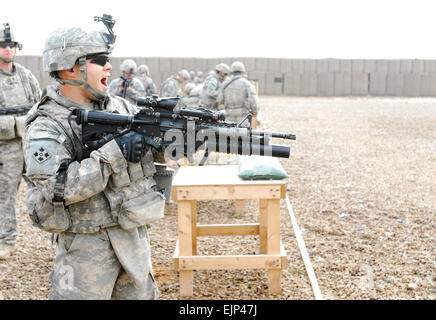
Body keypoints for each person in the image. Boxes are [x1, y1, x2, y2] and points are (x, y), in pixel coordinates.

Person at [22, 21, 162, 299]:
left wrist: (173, 142)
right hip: (85, 248)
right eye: (100, 60)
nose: (109, 67)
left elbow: (154, 152)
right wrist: (114, 154)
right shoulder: (46, 125)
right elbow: (56, 188)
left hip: (132, 240)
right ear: (69, 67)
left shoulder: (121, 108)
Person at [0, 23, 41, 259]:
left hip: (31, 145)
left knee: (47, 190)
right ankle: (6, 240)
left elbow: (39, 107)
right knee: (5, 196)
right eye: (3, 45)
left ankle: (60, 240)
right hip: (5, 148)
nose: (7, 49)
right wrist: (15, 125)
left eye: (11, 45)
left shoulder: (26, 76)